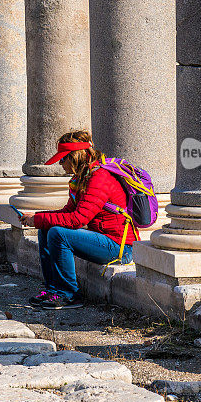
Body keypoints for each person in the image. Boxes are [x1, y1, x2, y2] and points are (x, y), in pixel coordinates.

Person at [21, 130, 136, 310]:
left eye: (63, 159)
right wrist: (37, 217)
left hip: (119, 247)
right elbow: (67, 211)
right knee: (46, 228)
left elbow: (78, 220)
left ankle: (69, 295)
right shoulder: (82, 178)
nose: (60, 164)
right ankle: (53, 290)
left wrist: (38, 219)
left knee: (58, 233)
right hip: (101, 240)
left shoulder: (99, 178)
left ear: (75, 156)